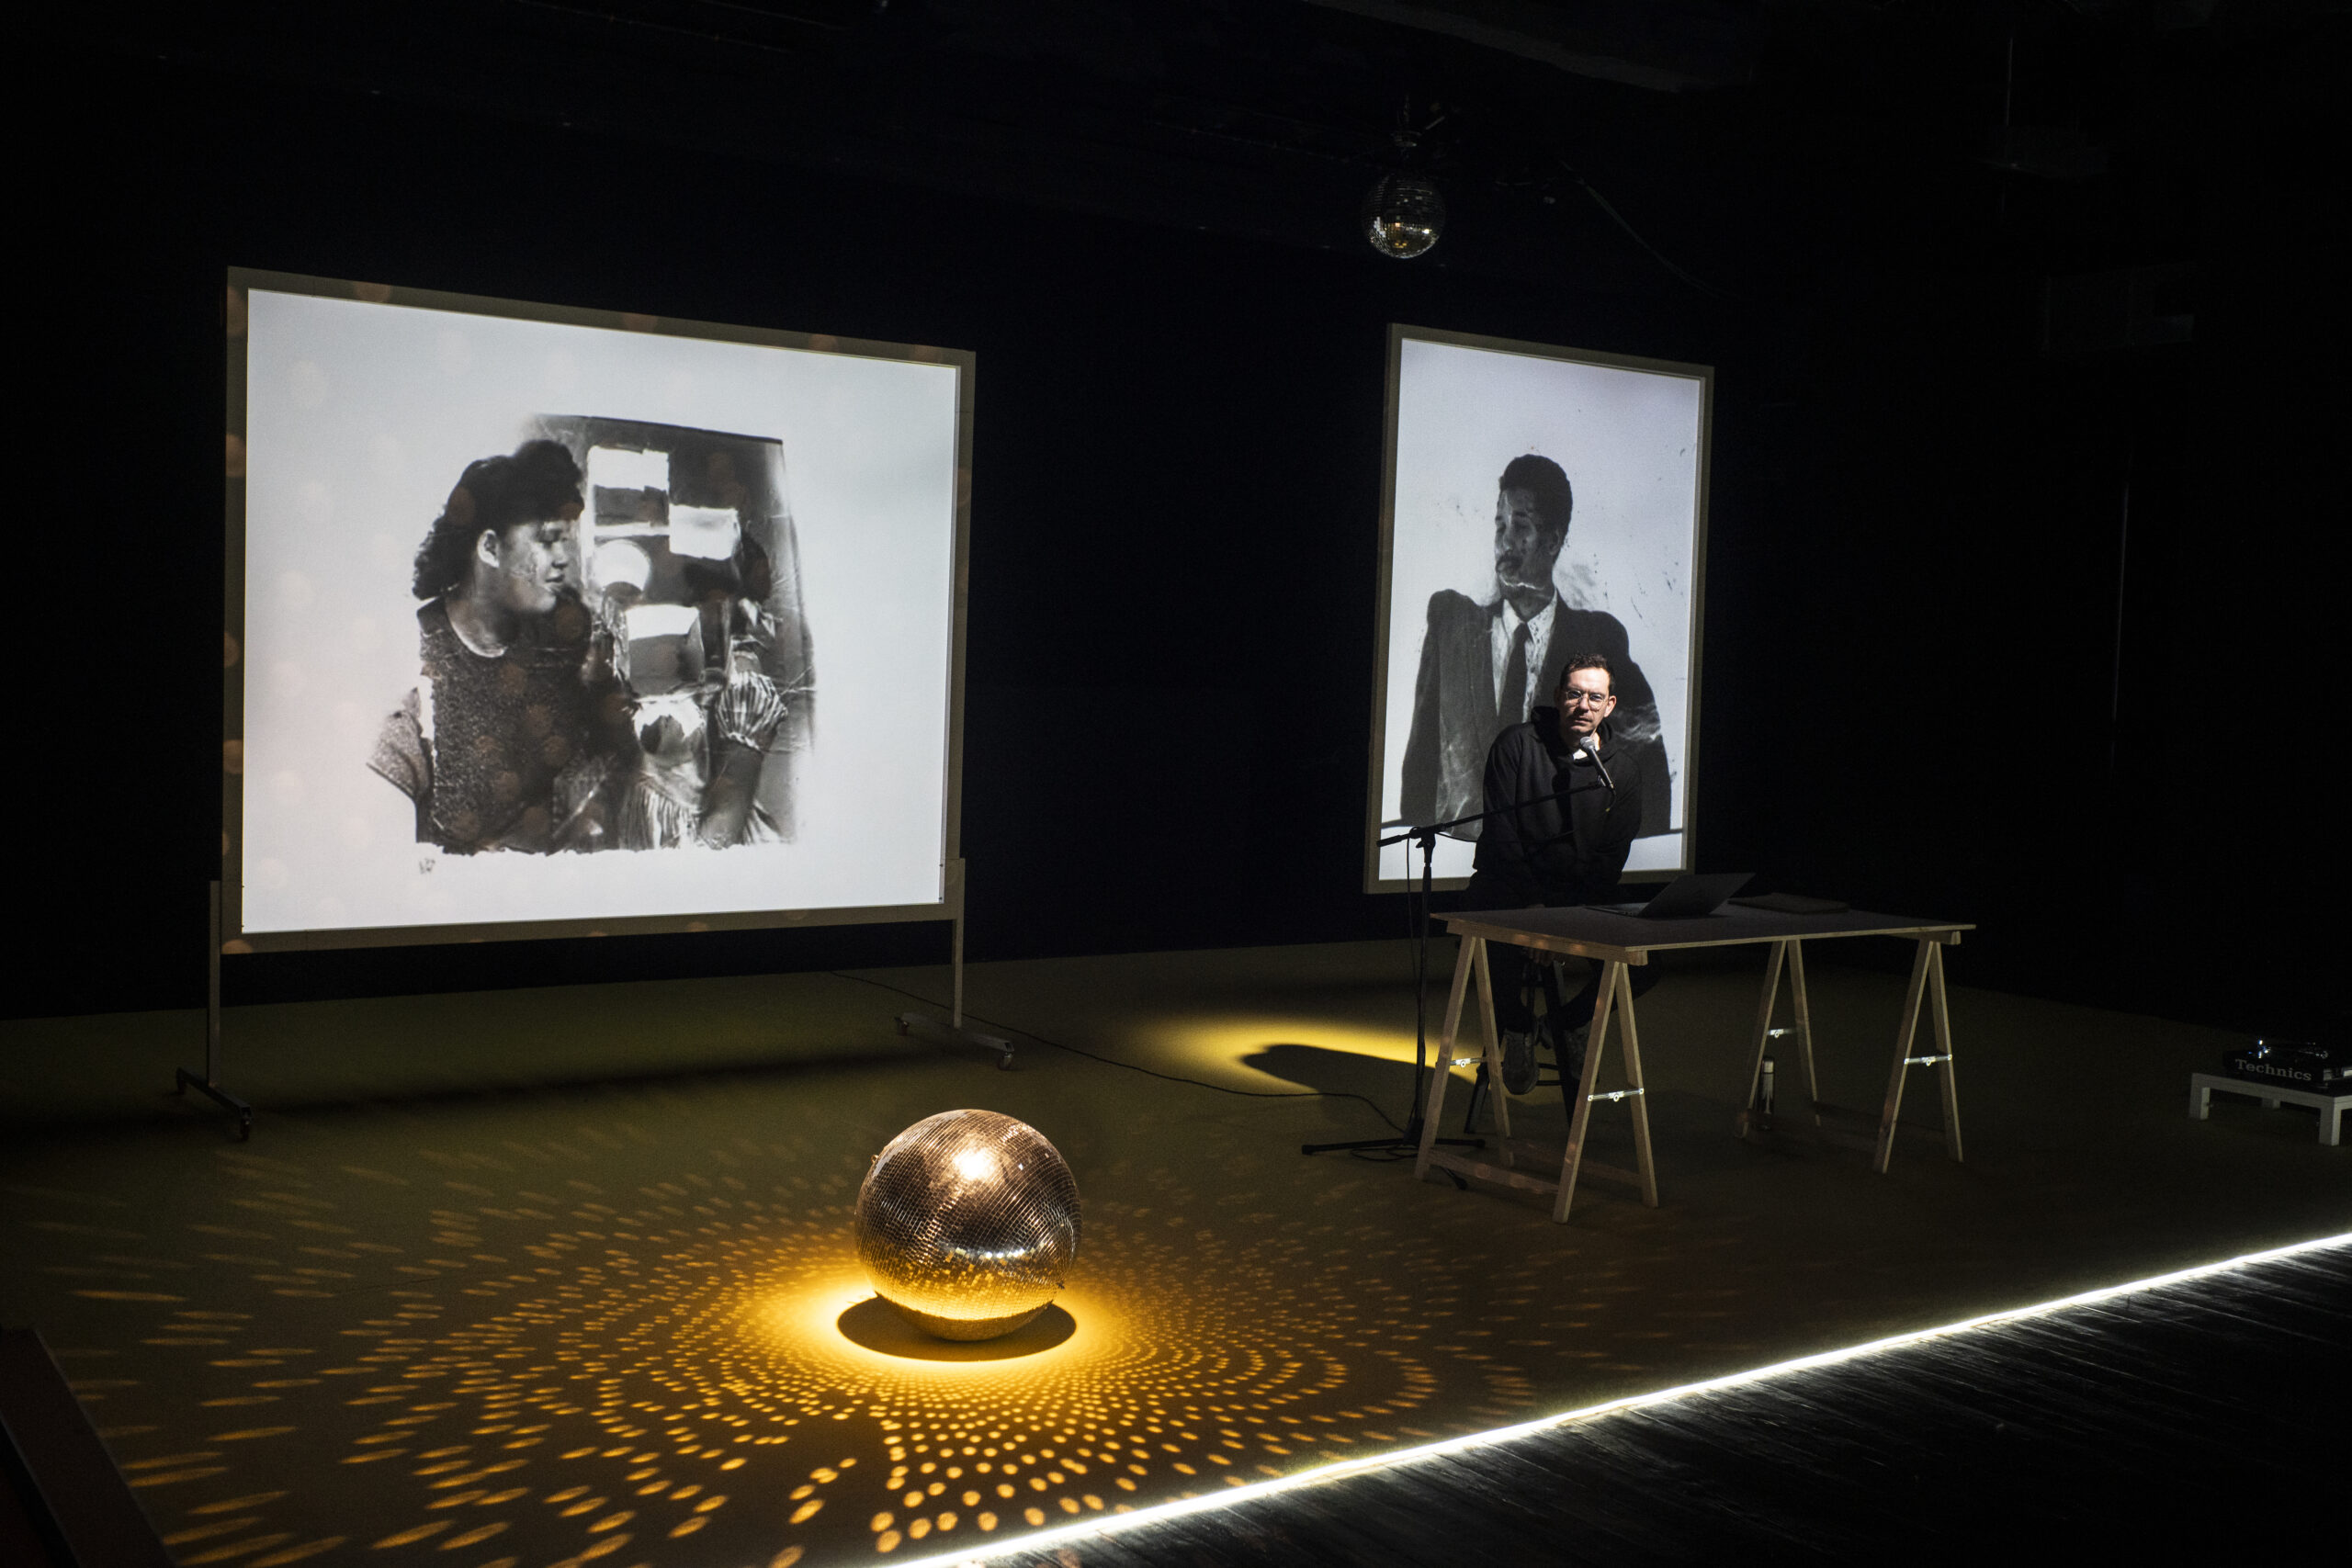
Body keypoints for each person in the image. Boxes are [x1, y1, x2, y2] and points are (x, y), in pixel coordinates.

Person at [369, 440, 632, 853]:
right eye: (547, 541)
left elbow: (613, 753)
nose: (563, 559)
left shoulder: (566, 639)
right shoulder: (412, 659)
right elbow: (384, 838)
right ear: (490, 547)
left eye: (564, 541)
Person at [1399, 453, 1669, 840]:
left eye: (1520, 526)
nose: (1505, 541)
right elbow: (1420, 772)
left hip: (1557, 870)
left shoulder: (1599, 641)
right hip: (1464, 868)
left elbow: (1649, 784)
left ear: (1554, 540)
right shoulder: (1453, 631)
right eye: (1499, 525)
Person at [1460, 653, 1663, 1099]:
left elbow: (1610, 857)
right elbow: (1502, 833)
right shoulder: (1516, 745)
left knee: (1645, 963)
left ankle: (1564, 1023)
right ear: (1557, 697)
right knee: (1484, 944)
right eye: (1574, 694)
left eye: (1595, 697)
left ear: (1609, 705)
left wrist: (1561, 923)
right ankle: (1517, 1027)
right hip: (1511, 887)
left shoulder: (1622, 771)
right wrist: (1540, 917)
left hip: (1578, 896)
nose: (1583, 705)